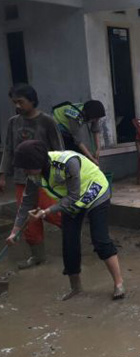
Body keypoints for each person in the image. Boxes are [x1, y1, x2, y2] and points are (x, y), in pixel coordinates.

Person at [5, 140, 125, 301]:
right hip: (72, 201)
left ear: (38, 162)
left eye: (27, 167)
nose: (25, 171)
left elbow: (74, 196)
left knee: (100, 240)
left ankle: (118, 283)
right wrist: (14, 232)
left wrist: (46, 211)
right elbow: (26, 203)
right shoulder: (34, 175)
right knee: (69, 242)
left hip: (95, 192)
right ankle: (75, 288)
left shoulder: (68, 163)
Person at [0, 84, 64, 269]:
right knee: (28, 218)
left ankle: (76, 236)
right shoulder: (13, 122)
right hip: (22, 179)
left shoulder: (47, 121)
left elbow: (59, 149)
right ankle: (37, 255)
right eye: (14, 102)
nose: (17, 106)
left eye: (21, 101)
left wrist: (59, 176)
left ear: (32, 101)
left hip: (44, 178)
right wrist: (2, 175)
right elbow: (9, 149)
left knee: (53, 213)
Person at [52, 100, 106, 165]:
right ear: (89, 115)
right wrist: (92, 159)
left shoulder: (92, 113)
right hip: (56, 126)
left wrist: (98, 149)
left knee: (82, 154)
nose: (97, 120)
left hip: (68, 128)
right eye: (96, 118)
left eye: (98, 118)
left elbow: (96, 130)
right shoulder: (75, 116)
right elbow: (78, 141)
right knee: (73, 153)